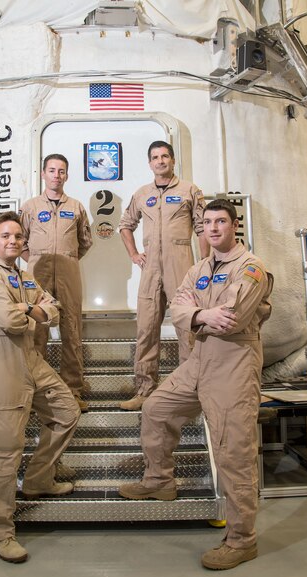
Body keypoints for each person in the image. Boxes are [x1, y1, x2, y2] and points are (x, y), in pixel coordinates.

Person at [119, 199, 273, 570]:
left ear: (234, 225)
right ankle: (159, 480)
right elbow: (178, 308)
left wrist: (196, 315)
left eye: (221, 221)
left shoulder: (251, 268)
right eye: (207, 223)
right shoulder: (198, 268)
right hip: (199, 360)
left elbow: (232, 320)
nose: (214, 228)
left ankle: (241, 540)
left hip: (232, 364)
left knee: (232, 454)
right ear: (201, 229)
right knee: (156, 408)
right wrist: (203, 314)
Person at [0, 211, 80, 564]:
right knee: (3, 449)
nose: (13, 241)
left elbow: (55, 311)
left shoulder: (24, 276)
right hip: (1, 357)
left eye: (17, 236)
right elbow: (11, 321)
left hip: (29, 355)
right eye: (5, 236)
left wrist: (30, 307)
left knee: (66, 411)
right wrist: (33, 310)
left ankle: (38, 479)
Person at [118, 140, 210, 411]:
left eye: (165, 156)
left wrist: (204, 264)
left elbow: (203, 227)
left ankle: (189, 390)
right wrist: (134, 254)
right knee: (146, 329)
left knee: (187, 329)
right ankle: (145, 390)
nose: (160, 161)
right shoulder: (142, 193)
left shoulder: (189, 190)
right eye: (155, 157)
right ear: (150, 163)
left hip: (182, 267)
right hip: (150, 271)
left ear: (172, 160)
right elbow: (125, 226)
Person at [20, 154, 93, 411]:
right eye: (52, 170)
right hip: (37, 275)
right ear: (43, 174)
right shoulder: (30, 207)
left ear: (66, 175)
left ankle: (72, 391)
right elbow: (21, 242)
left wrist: (66, 260)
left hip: (68, 272)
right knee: (36, 331)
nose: (56, 175)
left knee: (71, 330)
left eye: (61, 171)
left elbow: (85, 242)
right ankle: (38, 392)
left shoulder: (76, 207)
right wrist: (36, 261)